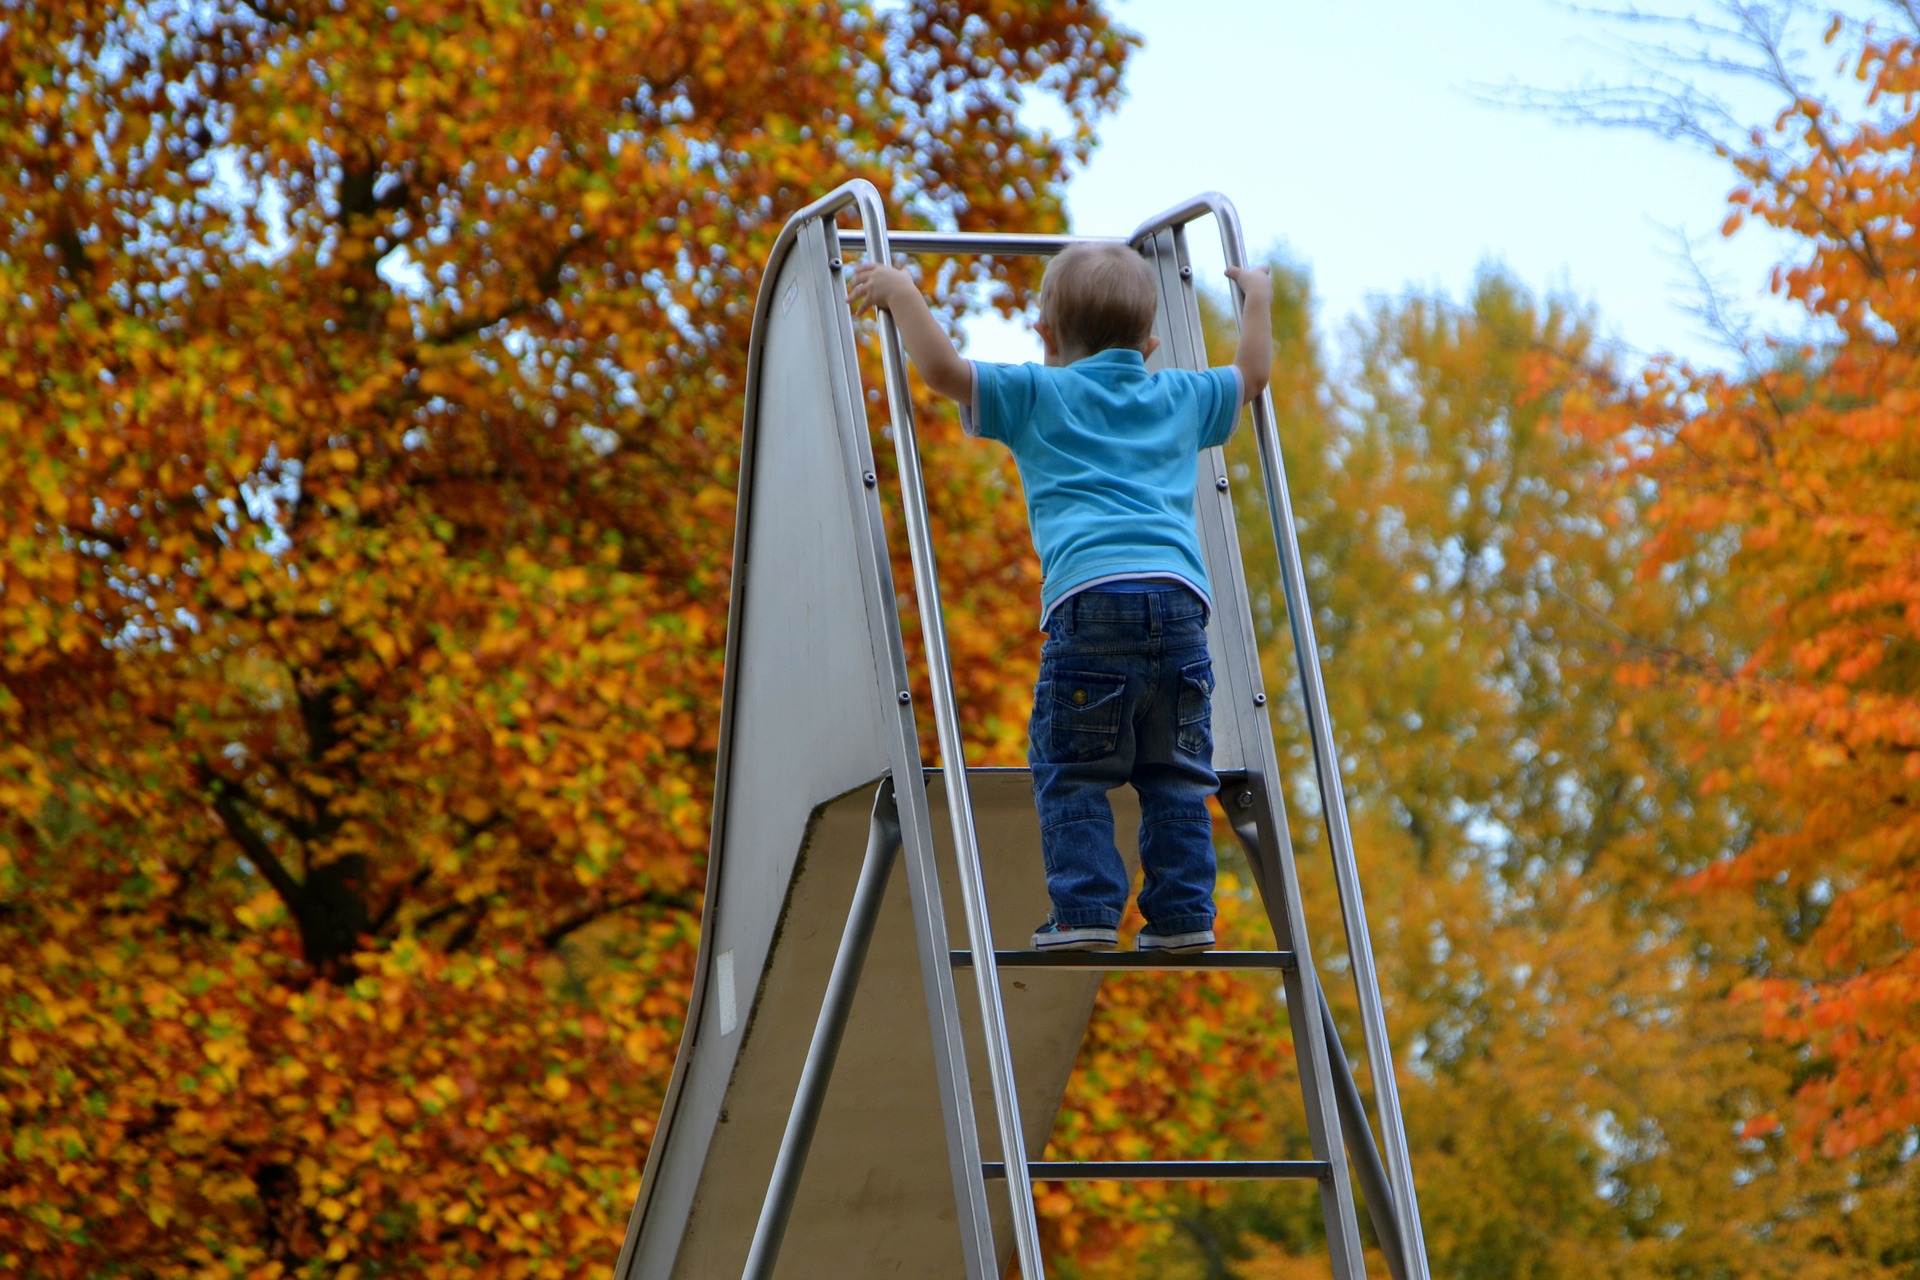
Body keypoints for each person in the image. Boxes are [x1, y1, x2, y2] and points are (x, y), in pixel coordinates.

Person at [850, 243, 1272, 952]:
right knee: (1176, 771)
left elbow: (943, 371)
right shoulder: (1180, 394)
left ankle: (1085, 913)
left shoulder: (1037, 393)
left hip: (1089, 603)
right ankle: (1184, 917)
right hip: (1179, 607)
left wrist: (900, 292)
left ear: (1045, 335)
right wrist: (1255, 299)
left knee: (1072, 767)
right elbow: (1253, 375)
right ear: (1151, 343)